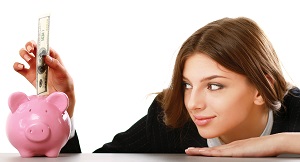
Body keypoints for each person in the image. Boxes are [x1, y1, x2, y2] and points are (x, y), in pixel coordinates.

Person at [13, 17, 300, 157]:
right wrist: (62, 113)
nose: (193, 103)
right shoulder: (171, 118)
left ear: (262, 89)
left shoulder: (296, 110)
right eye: (188, 85)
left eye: (214, 86)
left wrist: (277, 142)